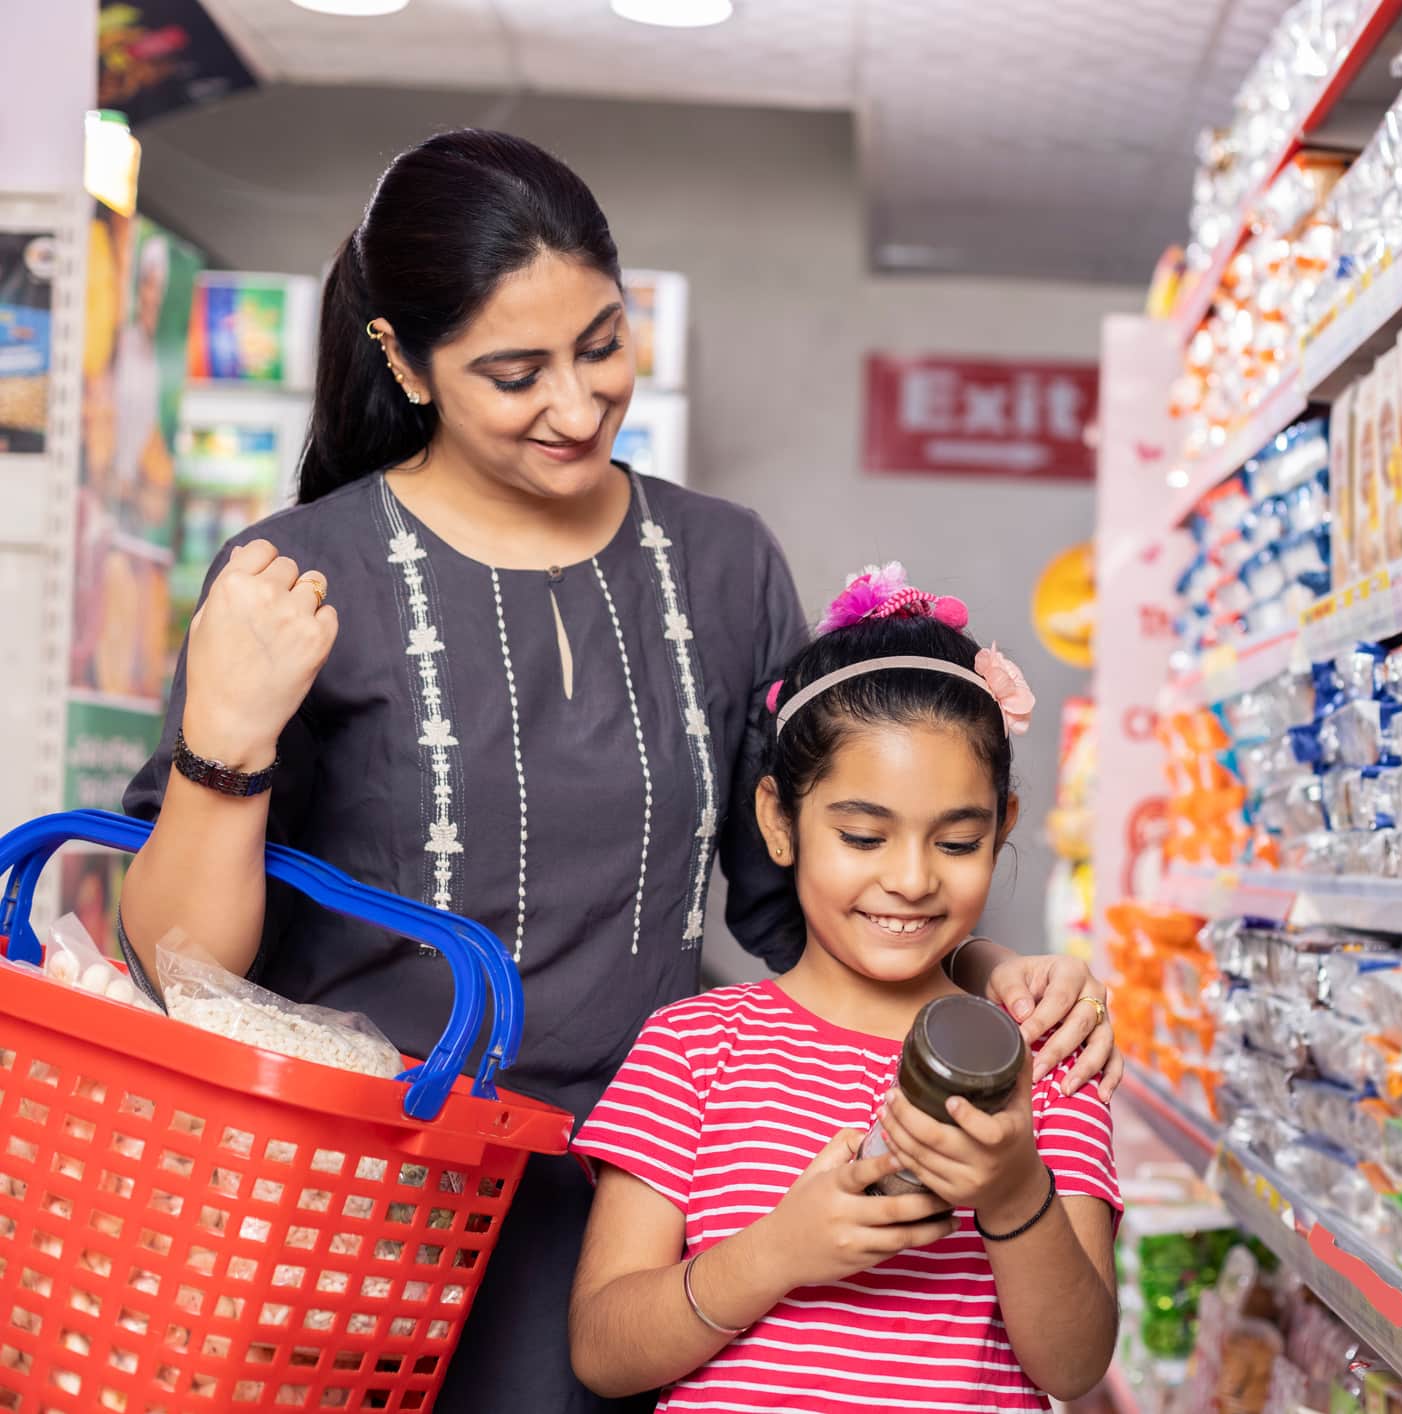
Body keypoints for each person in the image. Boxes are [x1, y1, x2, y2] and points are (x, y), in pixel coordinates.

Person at [114, 129, 1121, 1413]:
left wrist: (1000, 980)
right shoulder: (299, 576)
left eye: (602, 344)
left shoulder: (722, 564)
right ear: (402, 361)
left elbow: (800, 885)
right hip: (332, 1210)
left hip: (615, 1206)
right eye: (514, 372)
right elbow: (179, 968)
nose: (579, 404)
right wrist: (227, 741)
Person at [569, 571, 1118, 1410]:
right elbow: (603, 1350)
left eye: (959, 842)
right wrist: (778, 1253)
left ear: (1002, 827)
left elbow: (1074, 1366)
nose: (909, 878)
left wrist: (1013, 1191)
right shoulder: (693, 1047)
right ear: (780, 822)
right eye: (863, 835)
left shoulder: (1041, 1056)